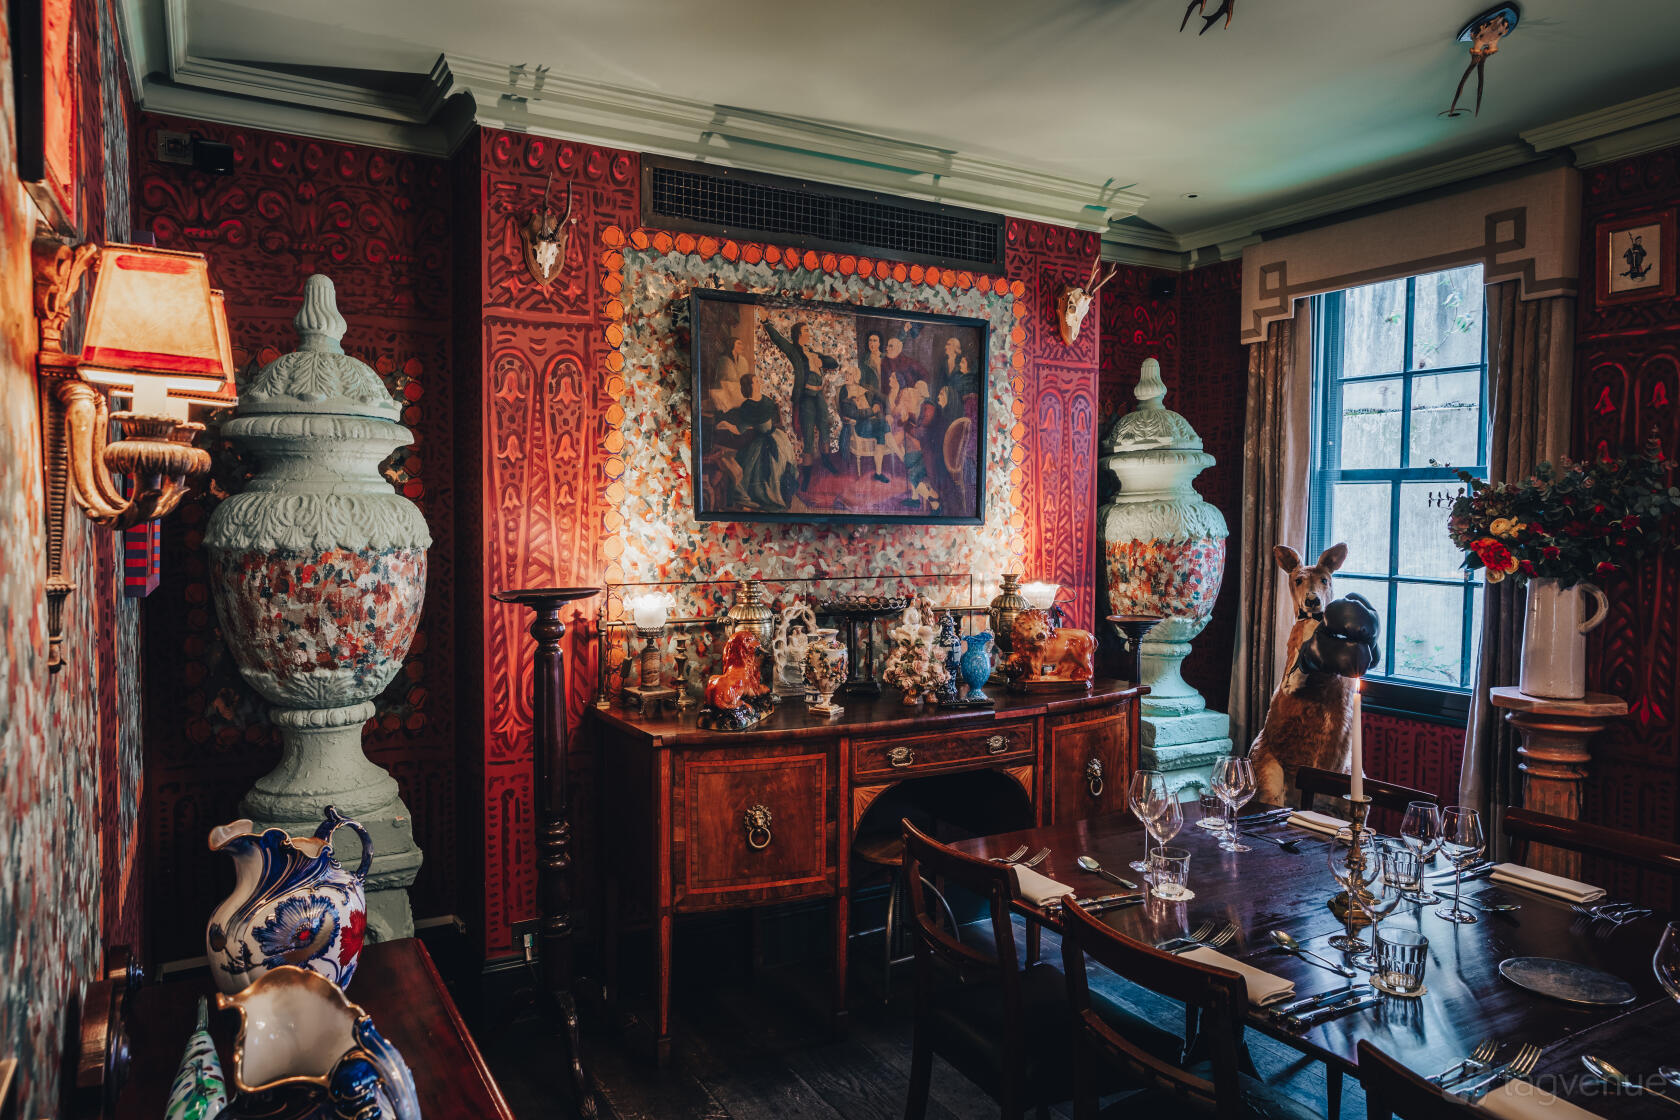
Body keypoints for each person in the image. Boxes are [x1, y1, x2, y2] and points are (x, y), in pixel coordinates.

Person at [763, 318, 840, 474]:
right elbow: (778, 339)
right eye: (805, 331)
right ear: (798, 334)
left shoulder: (813, 352)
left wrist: (821, 360)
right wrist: (766, 323)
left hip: (819, 395)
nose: (809, 333)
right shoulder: (794, 351)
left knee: (825, 427)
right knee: (808, 432)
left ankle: (826, 461)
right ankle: (807, 472)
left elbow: (833, 363)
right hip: (806, 396)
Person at [714, 373, 799, 510]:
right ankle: (775, 496)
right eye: (755, 382)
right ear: (749, 386)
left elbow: (742, 429)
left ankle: (780, 494)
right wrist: (726, 424)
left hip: (773, 439)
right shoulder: (754, 404)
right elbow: (745, 427)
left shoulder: (760, 403)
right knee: (757, 468)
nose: (759, 383)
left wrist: (726, 424)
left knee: (778, 465)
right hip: (768, 439)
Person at [838, 364, 892, 482]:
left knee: (882, 431)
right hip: (861, 426)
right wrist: (871, 411)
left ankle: (878, 473)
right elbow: (853, 413)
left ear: (856, 376)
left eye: (850, 374)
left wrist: (887, 412)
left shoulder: (866, 388)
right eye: (846, 374)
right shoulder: (844, 392)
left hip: (874, 423)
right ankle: (900, 455)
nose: (847, 376)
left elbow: (884, 398)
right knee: (883, 426)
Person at [710, 336, 748, 413]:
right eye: (739, 344)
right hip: (724, 392)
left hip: (737, 391)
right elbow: (727, 379)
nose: (742, 346)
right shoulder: (724, 360)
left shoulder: (743, 360)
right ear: (732, 345)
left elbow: (744, 377)